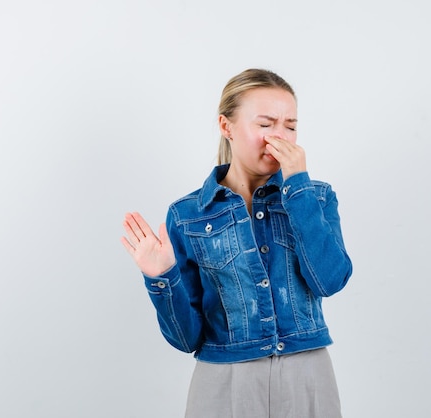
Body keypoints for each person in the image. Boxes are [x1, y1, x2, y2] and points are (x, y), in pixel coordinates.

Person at [121, 68, 353, 418]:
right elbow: (187, 339)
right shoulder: (188, 215)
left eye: (290, 126)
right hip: (224, 381)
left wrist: (298, 187)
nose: (281, 137)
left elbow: (330, 280)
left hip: (307, 374)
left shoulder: (316, 197)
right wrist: (161, 277)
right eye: (265, 124)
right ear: (226, 126)